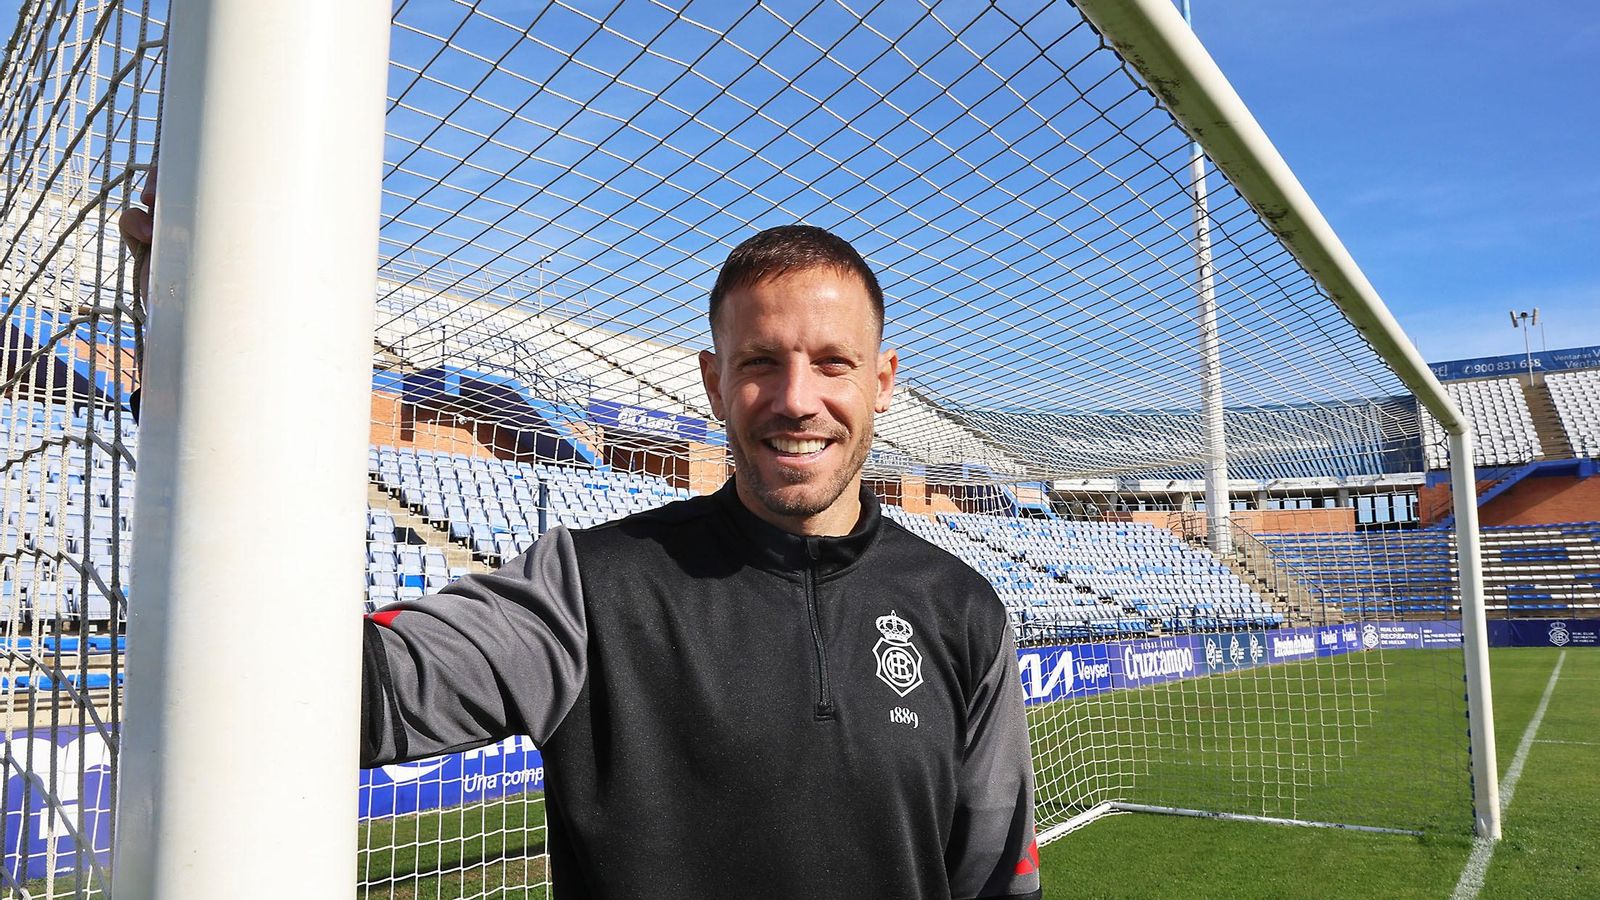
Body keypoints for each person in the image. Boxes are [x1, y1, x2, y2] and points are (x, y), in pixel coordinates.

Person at [122, 199, 1040, 898]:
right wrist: (217, 380)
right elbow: (322, 690)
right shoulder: (587, 590)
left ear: (881, 383)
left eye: (833, 363)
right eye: (761, 362)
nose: (797, 398)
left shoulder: (960, 608)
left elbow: (998, 875)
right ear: (715, 382)